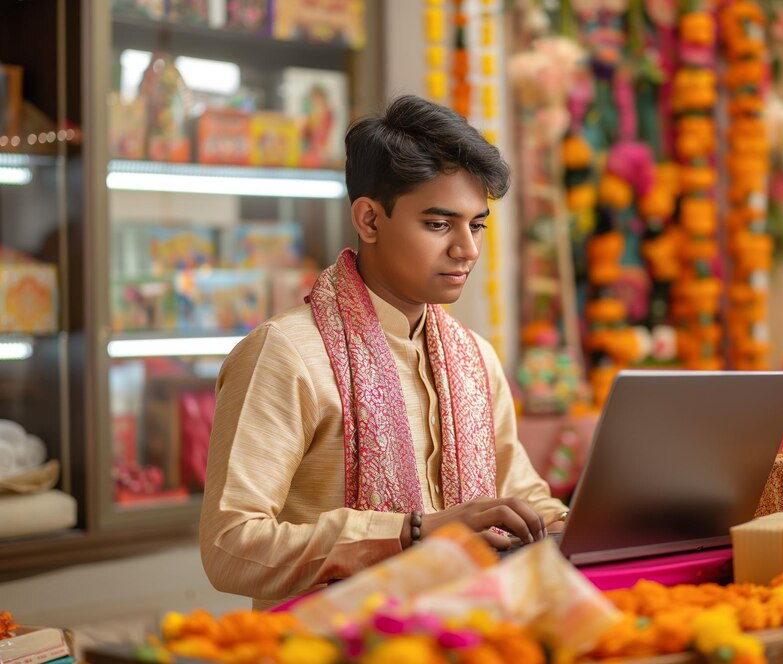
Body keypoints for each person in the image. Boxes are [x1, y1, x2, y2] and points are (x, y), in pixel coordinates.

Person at [200, 94, 568, 610]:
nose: (468, 249)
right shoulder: (285, 354)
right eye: (440, 225)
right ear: (370, 220)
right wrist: (411, 533)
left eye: (476, 224)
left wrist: (583, 526)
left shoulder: (475, 358)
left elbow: (523, 501)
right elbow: (229, 547)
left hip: (471, 636)